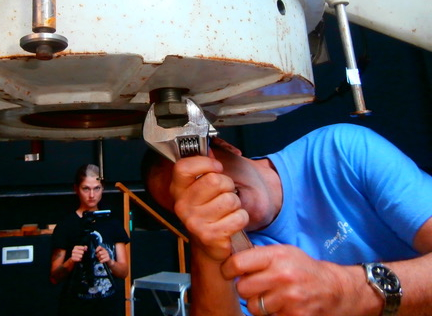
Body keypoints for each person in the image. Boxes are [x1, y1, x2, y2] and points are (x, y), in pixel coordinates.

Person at [143, 123, 432, 316]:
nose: (208, 193)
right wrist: (206, 251)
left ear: (227, 147)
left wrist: (348, 290)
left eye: (202, 176)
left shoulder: (341, 151)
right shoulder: (231, 265)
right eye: (187, 200)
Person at [50, 163, 130, 316]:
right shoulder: (66, 225)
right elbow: (54, 277)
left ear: (103, 189)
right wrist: (71, 261)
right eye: (86, 189)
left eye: (97, 188)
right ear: (76, 189)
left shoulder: (113, 223)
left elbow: (124, 272)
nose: (92, 195)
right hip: (75, 307)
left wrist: (110, 262)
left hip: (109, 307)